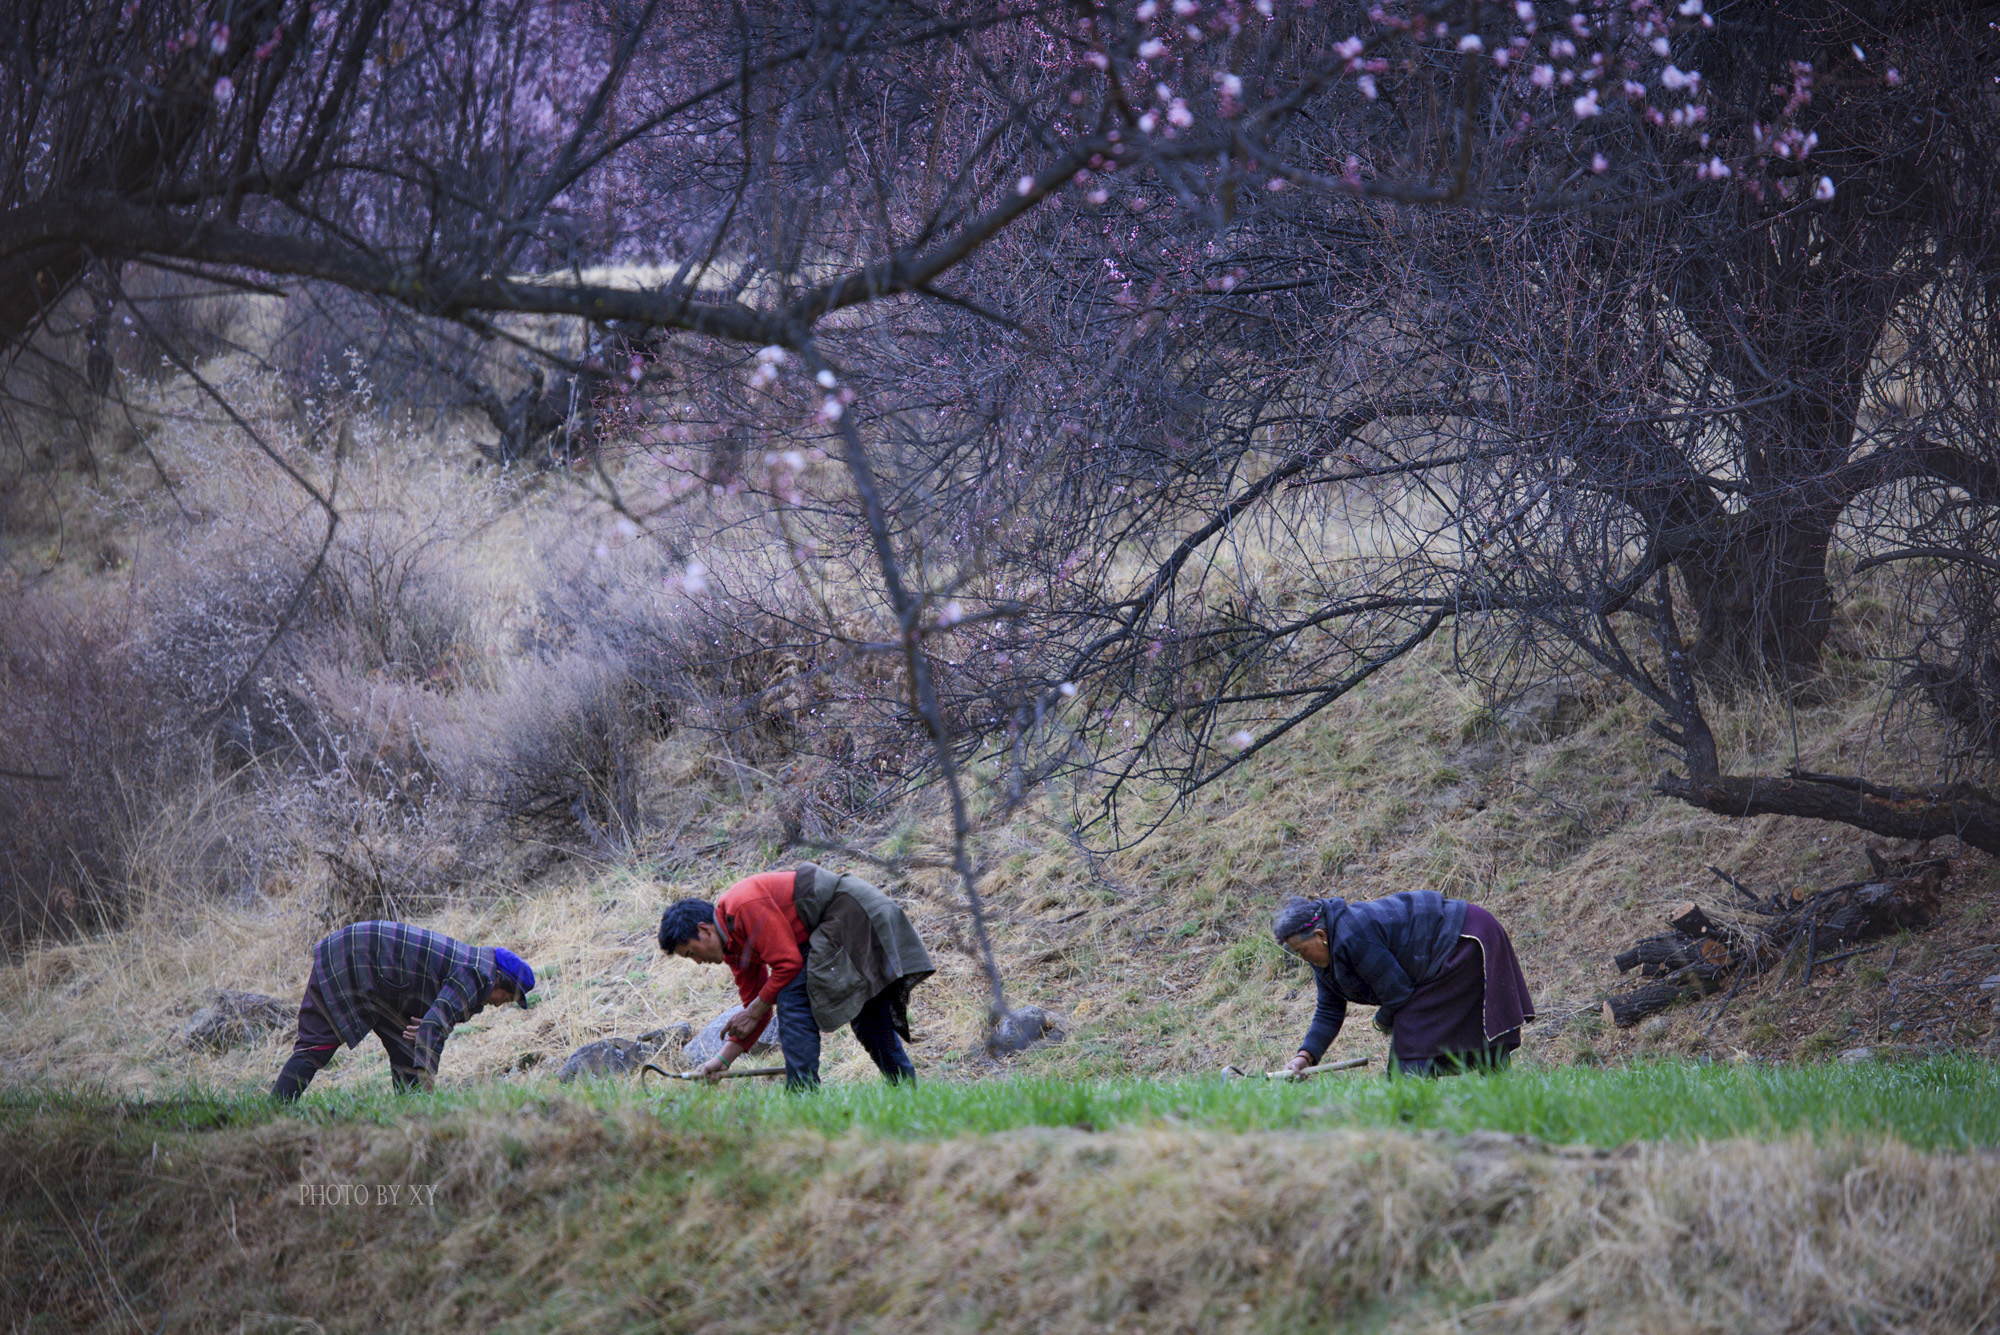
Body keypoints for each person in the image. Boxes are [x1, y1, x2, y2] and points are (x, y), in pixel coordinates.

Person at [658, 862, 935, 1089]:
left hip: (854, 911)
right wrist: (723, 1059)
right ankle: (905, 1090)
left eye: (690, 952)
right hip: (844, 923)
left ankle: (802, 1093)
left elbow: (787, 966)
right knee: (866, 1014)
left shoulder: (742, 905)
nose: (697, 962)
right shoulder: (734, 949)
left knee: (792, 996)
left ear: (704, 930)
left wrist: (755, 1009)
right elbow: (758, 1007)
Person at [1273, 890, 1534, 1078]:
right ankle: (1494, 1086)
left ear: (1319, 935)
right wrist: (1304, 1057)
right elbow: (1329, 1010)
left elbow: (1397, 992)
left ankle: (1409, 1104)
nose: (1302, 957)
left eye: (1301, 950)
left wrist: (1382, 1020)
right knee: (1413, 1027)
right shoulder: (1324, 953)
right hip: (1449, 946)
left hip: (1464, 938)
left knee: (1412, 1030)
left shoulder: (1353, 936)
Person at [270, 920, 535, 1101]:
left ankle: (410, 1114)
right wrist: (430, 1085)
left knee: (406, 1046)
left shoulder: (476, 965)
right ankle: (275, 1112)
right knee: (316, 1047)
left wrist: (431, 1021)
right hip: (354, 957)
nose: (500, 1004)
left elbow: (432, 1021)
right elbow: (434, 1028)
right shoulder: (478, 974)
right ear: (500, 979)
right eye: (507, 997)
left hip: (377, 973)